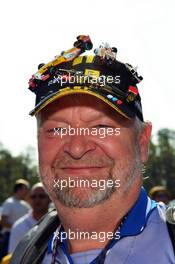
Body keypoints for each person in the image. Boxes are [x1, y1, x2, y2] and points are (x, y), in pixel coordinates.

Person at [10, 36, 175, 264]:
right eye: (57, 129)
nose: (77, 147)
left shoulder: (169, 241)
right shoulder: (26, 250)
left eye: (101, 127)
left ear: (142, 142)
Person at [8, 182, 50, 253]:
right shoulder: (19, 227)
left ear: (50, 198)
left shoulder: (60, 223)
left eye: (42, 196)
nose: (37, 200)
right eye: (33, 196)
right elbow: (12, 256)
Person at [0, 179, 30, 260]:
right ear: (19, 189)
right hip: (8, 237)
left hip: (23, 237)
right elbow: (3, 222)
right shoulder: (9, 203)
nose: (27, 191)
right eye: (25, 189)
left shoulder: (26, 205)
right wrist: (17, 228)